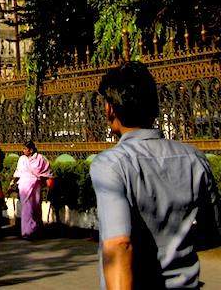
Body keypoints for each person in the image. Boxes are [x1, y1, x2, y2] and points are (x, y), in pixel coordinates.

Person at [90, 61, 221, 290]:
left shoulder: (111, 164)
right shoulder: (195, 159)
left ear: (110, 109)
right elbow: (211, 233)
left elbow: (119, 245)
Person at [12, 140, 50, 239]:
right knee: (26, 208)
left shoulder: (40, 158)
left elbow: (47, 171)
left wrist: (47, 181)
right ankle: (27, 231)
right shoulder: (22, 159)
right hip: (24, 185)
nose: (23, 150)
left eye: (25, 148)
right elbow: (18, 172)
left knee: (36, 207)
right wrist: (12, 183)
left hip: (36, 185)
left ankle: (37, 228)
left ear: (31, 150)